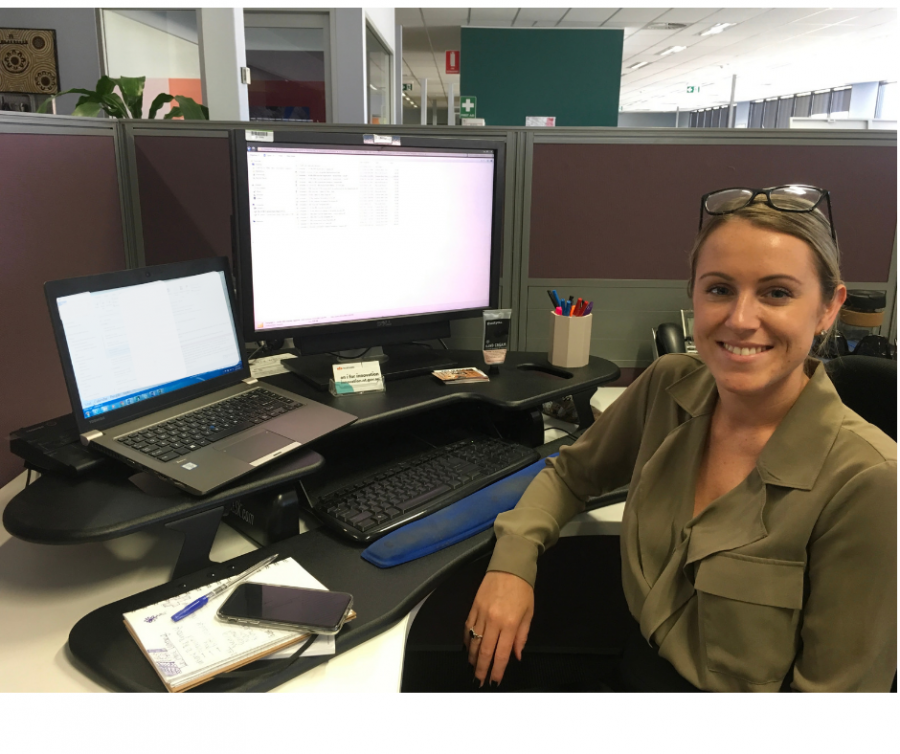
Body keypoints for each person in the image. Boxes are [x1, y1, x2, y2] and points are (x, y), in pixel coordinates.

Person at [464, 186, 897, 692]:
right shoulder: (671, 385)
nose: (740, 319)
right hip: (635, 672)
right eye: (719, 289)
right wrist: (513, 563)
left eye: (777, 292)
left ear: (827, 308)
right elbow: (570, 474)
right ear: (692, 294)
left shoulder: (869, 481)